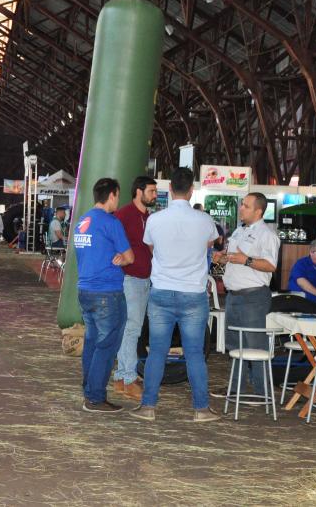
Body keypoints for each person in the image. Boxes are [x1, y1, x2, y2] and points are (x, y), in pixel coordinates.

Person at [130, 168, 220, 423]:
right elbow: (210, 245)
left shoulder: (155, 220)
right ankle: (201, 409)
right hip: (193, 294)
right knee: (194, 354)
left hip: (161, 293)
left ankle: (148, 407)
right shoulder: (204, 221)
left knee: (157, 351)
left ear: (169, 189)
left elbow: (150, 247)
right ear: (191, 190)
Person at [211, 192, 280, 398]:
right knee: (234, 344)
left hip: (253, 297)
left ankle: (262, 391)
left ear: (258, 211)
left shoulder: (267, 235)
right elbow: (235, 257)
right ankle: (235, 389)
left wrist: (246, 260)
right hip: (234, 295)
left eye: (246, 206)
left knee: (255, 345)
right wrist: (223, 258)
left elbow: (271, 265)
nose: (241, 208)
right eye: (242, 205)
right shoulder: (240, 231)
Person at [73, 178, 134, 413]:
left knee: (92, 342)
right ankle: (96, 397)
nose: (118, 200)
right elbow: (130, 257)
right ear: (112, 195)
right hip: (107, 292)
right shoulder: (111, 222)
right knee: (107, 345)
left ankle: (89, 390)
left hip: (85, 290)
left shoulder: (83, 220)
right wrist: (122, 257)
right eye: (118, 195)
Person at [112, 176, 157, 400]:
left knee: (132, 329)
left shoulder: (147, 217)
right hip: (130, 279)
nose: (155, 195)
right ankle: (127, 377)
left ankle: (122, 377)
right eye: (151, 191)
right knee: (132, 329)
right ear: (138, 191)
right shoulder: (125, 215)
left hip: (143, 279)